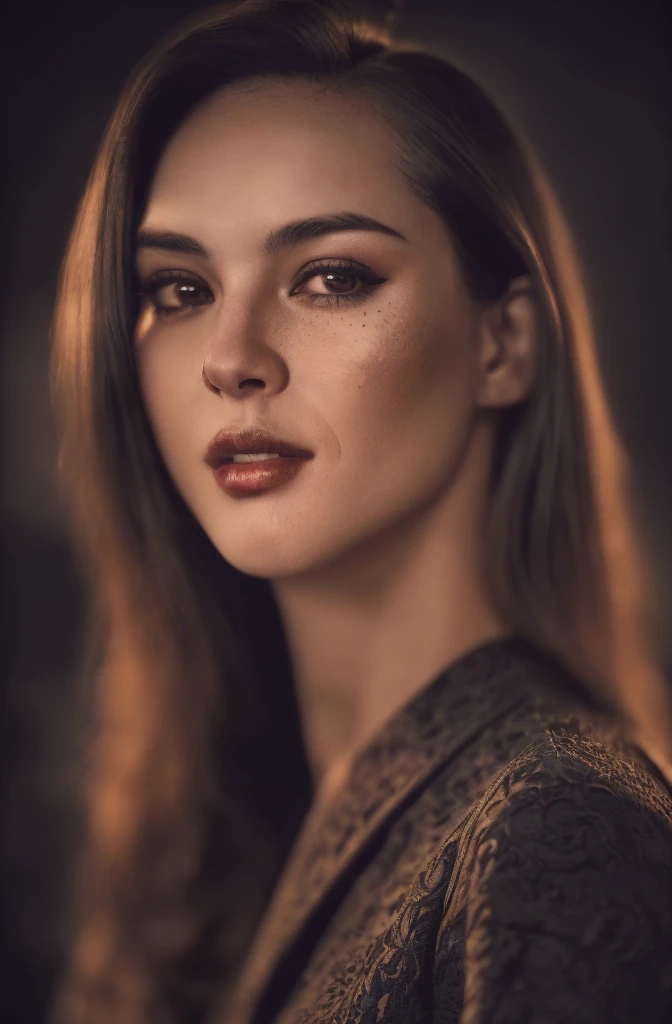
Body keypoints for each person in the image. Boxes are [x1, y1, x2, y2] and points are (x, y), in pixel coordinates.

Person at [49, 1, 672, 1022]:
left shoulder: (561, 822)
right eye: (180, 287)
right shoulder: (233, 828)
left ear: (503, 344)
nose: (232, 357)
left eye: (329, 276)